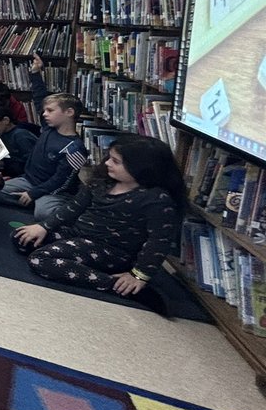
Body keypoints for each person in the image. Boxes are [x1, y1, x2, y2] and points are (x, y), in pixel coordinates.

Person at [12, 135, 185, 316]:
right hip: (78, 234)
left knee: (40, 260)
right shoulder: (103, 181)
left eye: (116, 161)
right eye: (109, 157)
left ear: (141, 167)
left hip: (111, 251)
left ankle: (115, 285)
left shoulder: (155, 199)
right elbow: (73, 207)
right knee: (21, 237)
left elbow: (158, 241)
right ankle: (81, 263)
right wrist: (44, 226)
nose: (108, 163)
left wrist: (139, 275)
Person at [0, 54, 88, 222]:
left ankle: (50, 203)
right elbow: (39, 99)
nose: (44, 114)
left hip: (55, 190)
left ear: (69, 112)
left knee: (43, 214)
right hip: (29, 180)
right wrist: (35, 73)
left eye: (50, 111)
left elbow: (62, 181)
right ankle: (31, 199)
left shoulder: (75, 148)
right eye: (45, 111)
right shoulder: (48, 128)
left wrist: (35, 193)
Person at [0, 103, 38, 183]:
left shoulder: (21, 136)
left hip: (26, 178)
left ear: (6, 120)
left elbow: (32, 164)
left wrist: (5, 165)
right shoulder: (1, 136)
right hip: (10, 175)